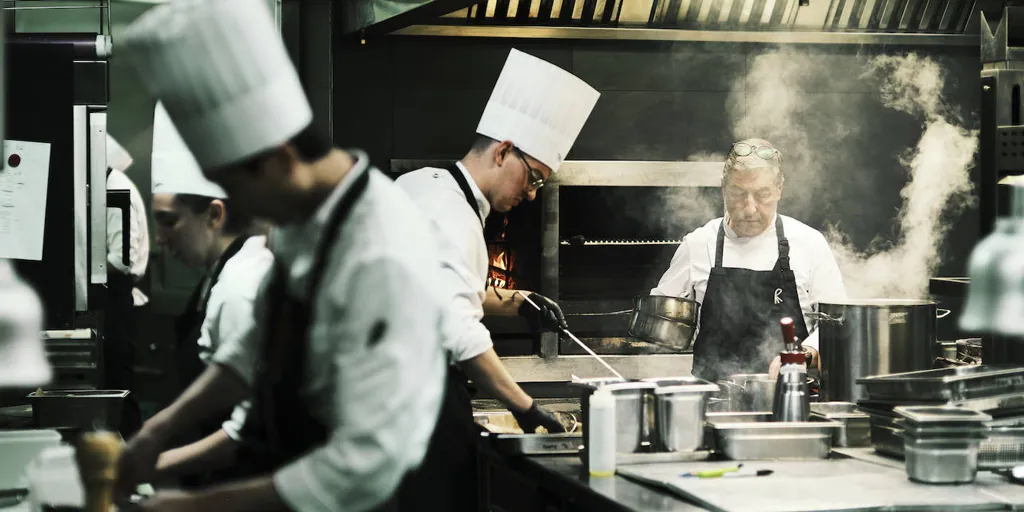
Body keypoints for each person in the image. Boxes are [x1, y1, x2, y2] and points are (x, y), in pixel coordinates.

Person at [115, 1, 447, 511]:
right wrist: (157, 433)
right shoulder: (302, 222)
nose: (235, 210)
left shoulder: (381, 254)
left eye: (233, 188)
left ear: (283, 161)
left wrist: (191, 508)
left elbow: (364, 467)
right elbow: (258, 342)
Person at [393, 48, 599, 511]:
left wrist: (518, 300)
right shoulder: (452, 215)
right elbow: (460, 331)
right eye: (534, 178)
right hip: (410, 405)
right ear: (504, 150)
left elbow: (428, 292)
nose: (530, 194)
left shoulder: (423, 185)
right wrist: (525, 407)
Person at [146, 101, 273, 486]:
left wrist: (150, 463)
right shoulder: (216, 276)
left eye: (169, 221)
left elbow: (248, 430)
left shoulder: (240, 288)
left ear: (214, 215)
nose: (161, 238)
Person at [650, 139, 846, 382]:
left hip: (791, 400)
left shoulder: (809, 243)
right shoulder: (698, 244)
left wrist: (802, 356)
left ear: (779, 190)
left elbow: (839, 326)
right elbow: (661, 319)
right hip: (714, 404)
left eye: (762, 194)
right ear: (723, 189)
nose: (750, 208)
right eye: (738, 193)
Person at [104, 135, 149, 437]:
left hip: (118, 301)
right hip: (113, 300)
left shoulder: (115, 187)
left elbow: (123, 260)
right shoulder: (108, 185)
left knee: (122, 391)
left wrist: (79, 267)